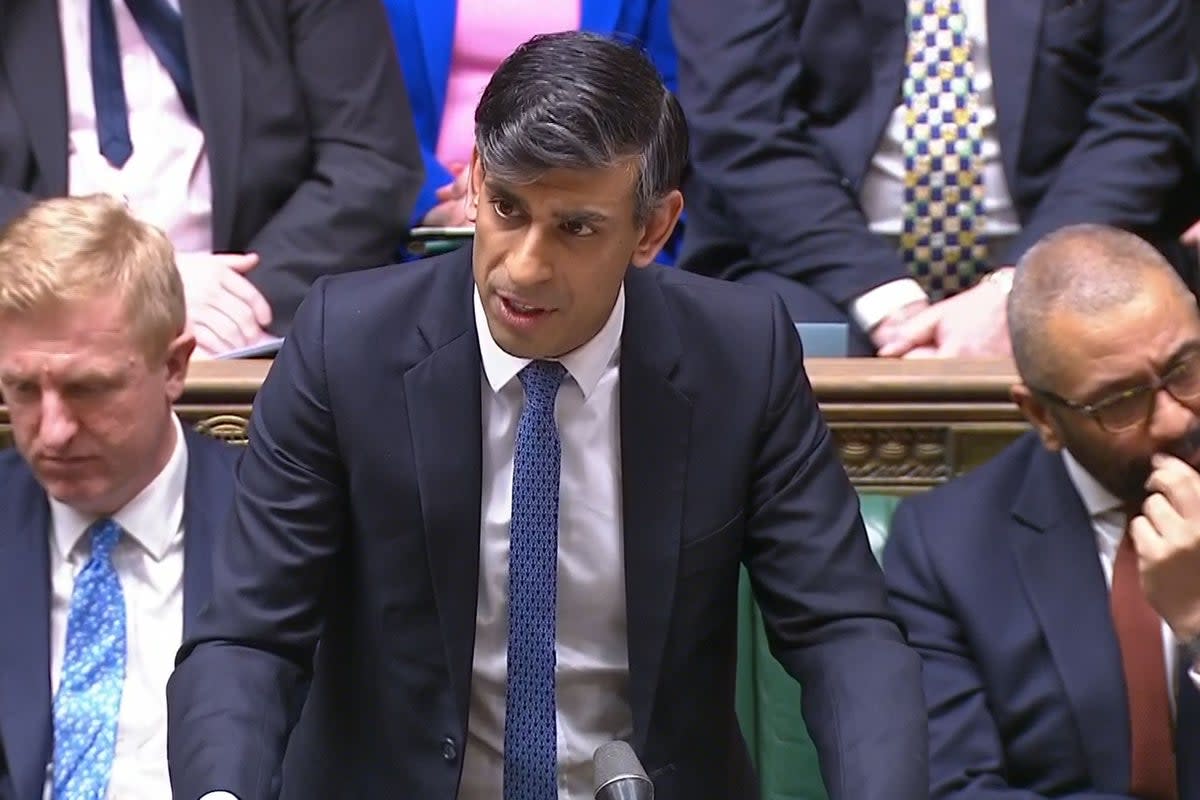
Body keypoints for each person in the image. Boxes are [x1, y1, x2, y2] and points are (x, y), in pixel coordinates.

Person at [166, 31, 927, 800]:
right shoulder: (347, 347)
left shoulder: (738, 357)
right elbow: (249, 638)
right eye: (507, 208)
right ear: (473, 186)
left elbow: (843, 633)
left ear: (654, 230)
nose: (524, 266)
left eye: (576, 228)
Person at [672, 0, 1197, 356]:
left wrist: (1015, 291)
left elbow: (1142, 118)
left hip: (1064, 250)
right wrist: (893, 306)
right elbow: (742, 124)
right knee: (777, 350)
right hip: (809, 265)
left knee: (1112, 346)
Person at [883, 224, 1200, 797]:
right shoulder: (946, 550)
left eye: (1185, 369)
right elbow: (955, 790)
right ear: (1043, 417)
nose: (1176, 417)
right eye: (1122, 401)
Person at [0, 0, 423, 357]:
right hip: (43, 322)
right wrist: (127, 286)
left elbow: (371, 163)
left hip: (247, 324)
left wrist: (233, 304)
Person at [0, 194, 239, 800]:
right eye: (22, 388)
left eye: (88, 388)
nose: (52, 430)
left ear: (174, 368)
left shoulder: (274, 522)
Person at [382, 0, 676, 228]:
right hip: (406, 208)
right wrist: (435, 195)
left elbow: (663, 105)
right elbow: (357, 97)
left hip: (581, 213)